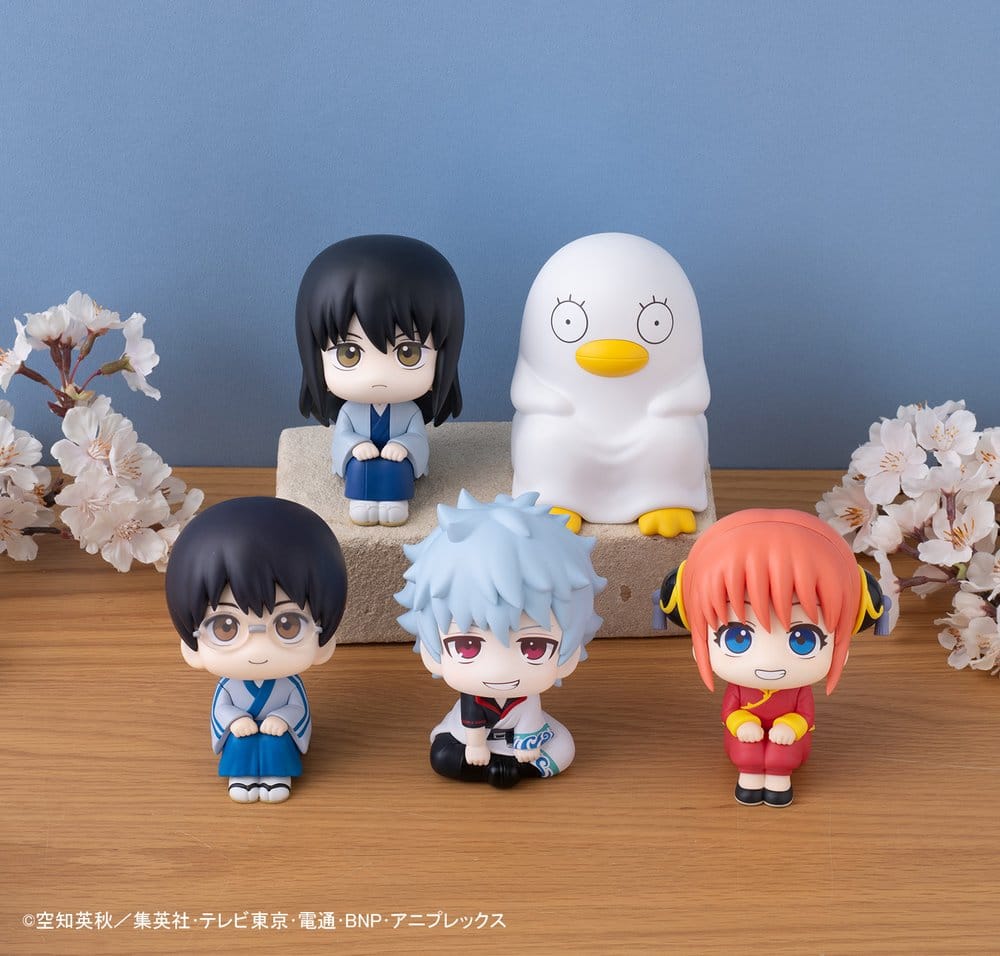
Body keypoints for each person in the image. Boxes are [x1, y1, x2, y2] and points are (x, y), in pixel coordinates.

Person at [659, 509, 886, 807]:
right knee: (745, 750)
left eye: (803, 639)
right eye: (737, 637)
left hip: (791, 741)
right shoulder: (740, 689)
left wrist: (791, 726)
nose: (768, 661)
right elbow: (730, 711)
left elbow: (804, 715)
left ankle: (779, 779)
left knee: (784, 753)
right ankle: (750, 776)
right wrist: (741, 723)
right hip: (744, 739)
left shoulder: (798, 691)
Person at [397, 490, 605, 787]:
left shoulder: (527, 699)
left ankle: (506, 768)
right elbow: (472, 726)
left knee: (562, 751)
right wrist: (476, 746)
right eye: (466, 646)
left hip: (521, 742)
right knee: (442, 756)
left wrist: (526, 746)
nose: (498, 671)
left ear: (569, 651)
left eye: (534, 647)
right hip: (469, 740)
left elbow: (530, 722)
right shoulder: (471, 697)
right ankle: (502, 770)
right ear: (432, 651)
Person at [165, 497, 347, 802]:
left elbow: (297, 708)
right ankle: (241, 777)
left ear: (323, 639)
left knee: (278, 742)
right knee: (239, 742)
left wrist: (284, 719)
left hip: (279, 739)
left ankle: (278, 776)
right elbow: (222, 710)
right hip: (240, 737)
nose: (257, 649)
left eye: (287, 625)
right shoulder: (229, 687)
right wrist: (235, 720)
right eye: (226, 628)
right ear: (191, 644)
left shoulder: (289, 686)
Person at [295, 234, 464, 526]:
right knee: (359, 466)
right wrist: (354, 445)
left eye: (408, 353)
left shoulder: (409, 412)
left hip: (397, 468)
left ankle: (395, 501)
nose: (377, 377)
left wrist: (405, 446)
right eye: (349, 353)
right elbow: (343, 436)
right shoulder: (350, 412)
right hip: (360, 465)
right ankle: (361, 500)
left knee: (397, 468)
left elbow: (417, 437)